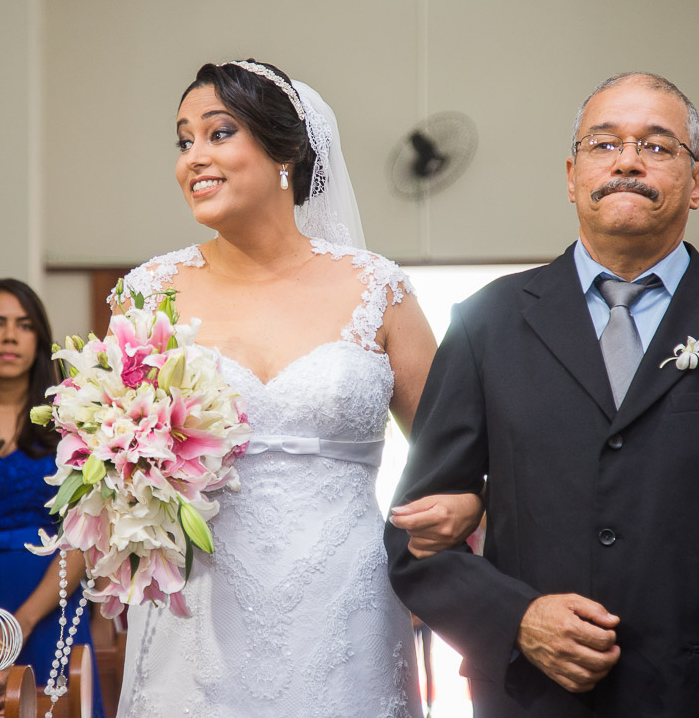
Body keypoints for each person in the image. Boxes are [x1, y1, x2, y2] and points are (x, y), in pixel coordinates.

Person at [385, 72, 699, 717]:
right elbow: (414, 540)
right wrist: (518, 619)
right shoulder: (486, 323)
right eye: (604, 144)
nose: (627, 160)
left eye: (657, 146)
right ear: (572, 175)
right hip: (534, 698)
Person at [111, 58, 470, 718]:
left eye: (218, 133)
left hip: (344, 605)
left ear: (286, 153)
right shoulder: (148, 293)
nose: (194, 157)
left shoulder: (377, 290)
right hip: (199, 609)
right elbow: (113, 455)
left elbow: (456, 458)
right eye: (184, 139)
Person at [0, 278, 107, 717]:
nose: (10, 336)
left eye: (24, 325)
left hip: (53, 599)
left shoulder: (74, 423)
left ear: (39, 339)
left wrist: (24, 620)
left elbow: (86, 533)